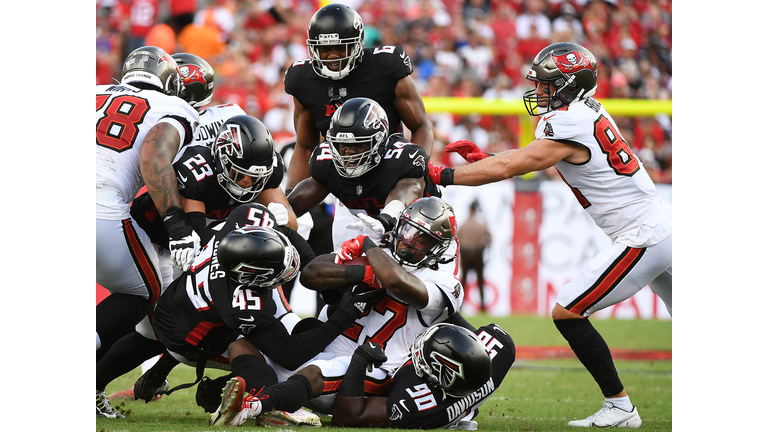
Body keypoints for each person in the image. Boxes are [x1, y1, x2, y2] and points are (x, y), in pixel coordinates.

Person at [429, 42, 671, 428]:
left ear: (571, 84)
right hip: (659, 226)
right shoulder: (584, 111)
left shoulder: (568, 120)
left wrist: (442, 175)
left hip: (643, 234)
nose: (539, 91)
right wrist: (490, 158)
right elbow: (529, 157)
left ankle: (620, 407)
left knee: (568, 311)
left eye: (547, 84)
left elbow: (518, 164)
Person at [95, 202, 386, 418]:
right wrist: (347, 313)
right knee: (275, 363)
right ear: (251, 278)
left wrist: (314, 271)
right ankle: (264, 403)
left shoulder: (243, 220)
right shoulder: (240, 300)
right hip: (192, 338)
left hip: (177, 301)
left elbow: (284, 231)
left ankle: (130, 378)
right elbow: (290, 352)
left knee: (142, 339)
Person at [209, 196, 467, 427]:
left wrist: (367, 245)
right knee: (241, 345)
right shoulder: (382, 255)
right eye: (408, 231)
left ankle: (251, 408)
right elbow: (311, 274)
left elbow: (397, 281)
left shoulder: (445, 282)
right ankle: (281, 406)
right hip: (327, 349)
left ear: (438, 247)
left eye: (420, 238)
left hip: (373, 368)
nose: (408, 242)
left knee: (317, 370)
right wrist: (361, 271)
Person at [96, 45, 200, 418]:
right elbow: (155, 156)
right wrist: (176, 223)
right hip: (100, 206)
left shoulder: (93, 93)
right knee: (148, 290)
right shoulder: (174, 108)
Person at [283, 3, 434, 248]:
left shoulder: (385, 68)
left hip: (391, 176)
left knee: (406, 268)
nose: (331, 55)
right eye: (324, 49)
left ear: (356, 44)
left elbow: (421, 126)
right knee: (346, 271)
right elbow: (305, 147)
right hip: (347, 187)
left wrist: (413, 172)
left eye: (338, 47)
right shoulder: (303, 80)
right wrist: (291, 201)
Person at [287, 97, 440, 254]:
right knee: (320, 270)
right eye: (343, 145)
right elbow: (309, 191)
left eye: (358, 144)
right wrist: (280, 211)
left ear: (379, 141)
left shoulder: (402, 157)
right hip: (363, 227)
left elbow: (409, 189)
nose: (349, 151)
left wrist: (387, 218)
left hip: (419, 235)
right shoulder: (327, 162)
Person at [331, 322, 516, 429]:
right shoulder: (502, 347)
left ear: (438, 377)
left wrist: (360, 359)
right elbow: (471, 346)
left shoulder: (411, 401)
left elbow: (348, 417)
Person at [456, 199, 492, 312]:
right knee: (480, 281)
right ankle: (482, 306)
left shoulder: (464, 225)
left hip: (466, 255)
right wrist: (485, 247)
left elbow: (456, 239)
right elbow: (490, 238)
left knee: (464, 282)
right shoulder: (480, 225)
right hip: (477, 254)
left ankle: (460, 305)